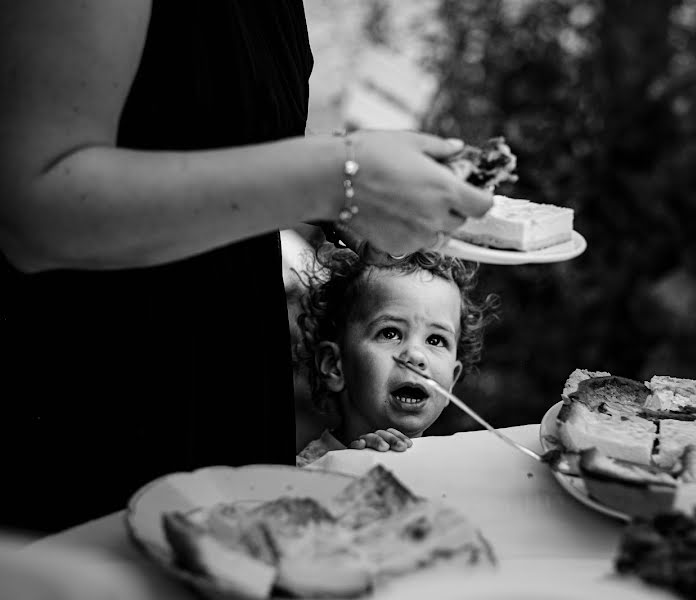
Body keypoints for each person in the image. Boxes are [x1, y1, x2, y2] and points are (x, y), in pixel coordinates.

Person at [0, 1, 493, 535]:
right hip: (105, 401)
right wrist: (341, 180)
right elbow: (34, 207)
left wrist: (359, 192)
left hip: (231, 372)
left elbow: (198, 134)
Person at [294, 245, 500, 466]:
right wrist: (354, 468)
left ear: (452, 379)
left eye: (435, 340)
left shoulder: (445, 471)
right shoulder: (306, 473)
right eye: (390, 333)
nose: (416, 356)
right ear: (335, 366)